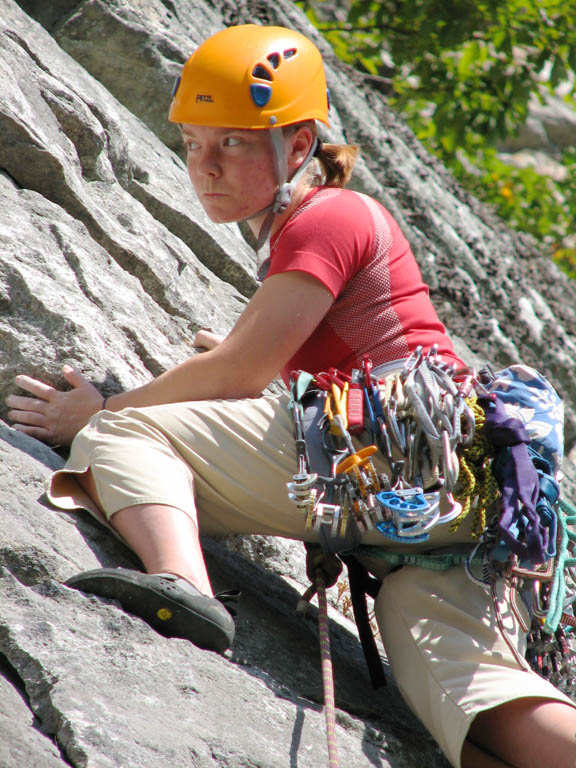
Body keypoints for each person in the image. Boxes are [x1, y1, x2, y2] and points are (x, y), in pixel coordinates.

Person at [6, 23, 576, 768]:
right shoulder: (317, 227)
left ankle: (180, 585)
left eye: (233, 143)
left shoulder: (329, 216)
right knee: (470, 698)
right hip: (457, 501)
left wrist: (101, 410)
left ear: (298, 146)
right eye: (191, 145)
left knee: (131, 437)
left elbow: (239, 372)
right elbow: (295, 357)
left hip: (392, 453)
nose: (204, 168)